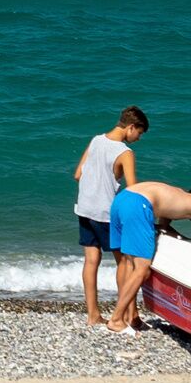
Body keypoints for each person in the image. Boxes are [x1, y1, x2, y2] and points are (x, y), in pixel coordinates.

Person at [103, 178, 191, 334]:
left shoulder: (176, 195)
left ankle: (132, 317)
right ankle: (116, 320)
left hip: (121, 199)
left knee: (126, 263)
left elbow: (163, 228)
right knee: (142, 270)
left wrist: (184, 240)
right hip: (139, 204)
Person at [73, 106, 146, 326]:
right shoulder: (124, 152)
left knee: (91, 261)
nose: (138, 139)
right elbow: (133, 190)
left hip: (85, 208)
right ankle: (126, 316)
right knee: (126, 263)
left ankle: (93, 315)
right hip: (105, 213)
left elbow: (78, 174)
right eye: (139, 133)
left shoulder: (96, 140)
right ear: (131, 127)